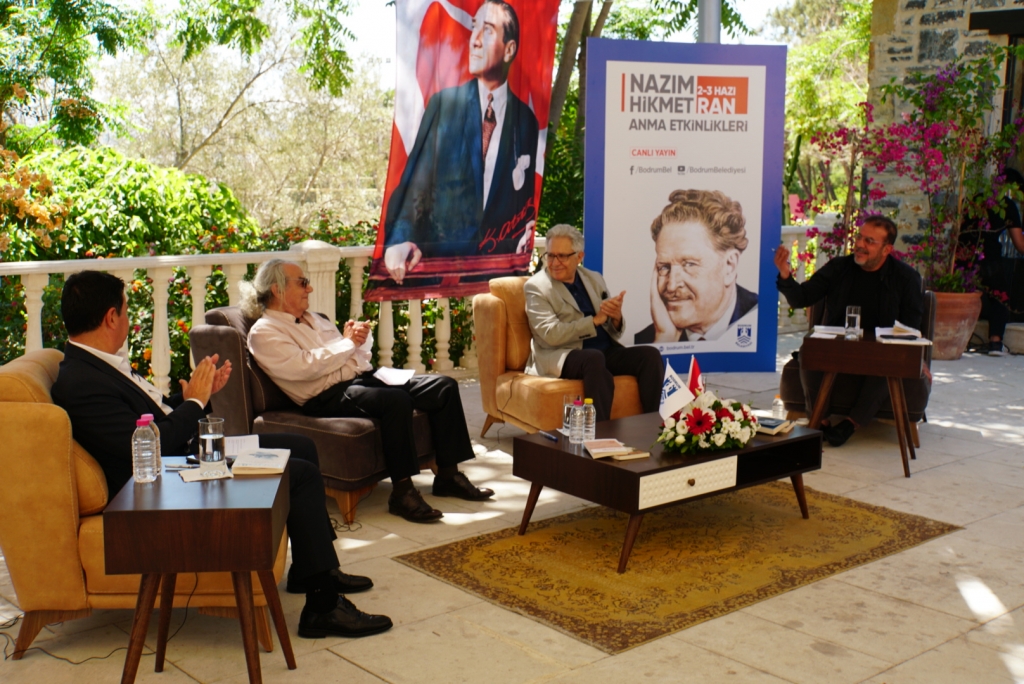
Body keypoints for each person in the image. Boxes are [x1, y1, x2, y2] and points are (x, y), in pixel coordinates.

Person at [50, 271, 392, 640]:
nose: (129, 320)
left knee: (300, 446)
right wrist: (195, 403)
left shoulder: (96, 365)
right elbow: (153, 446)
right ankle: (323, 606)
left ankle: (311, 570)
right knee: (300, 474)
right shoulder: (83, 382)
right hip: (169, 482)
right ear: (110, 317)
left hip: (182, 459)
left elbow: (151, 421)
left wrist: (195, 396)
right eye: (127, 311)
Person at [243, 259, 494, 524]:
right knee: (395, 400)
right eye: (303, 283)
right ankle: (402, 493)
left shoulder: (315, 319)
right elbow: (306, 368)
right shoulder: (265, 332)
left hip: (358, 379)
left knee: (443, 386)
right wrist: (346, 345)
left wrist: (354, 343)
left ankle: (448, 476)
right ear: (278, 289)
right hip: (325, 396)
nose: (310, 288)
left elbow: (354, 360)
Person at [382, 0, 539, 284]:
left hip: (498, 278)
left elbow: (522, 203)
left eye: (487, 30)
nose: (474, 40)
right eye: (474, 27)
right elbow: (415, 187)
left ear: (509, 49)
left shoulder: (526, 121)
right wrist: (400, 240)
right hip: (443, 275)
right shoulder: (444, 106)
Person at [774, 215, 925, 447]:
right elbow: (802, 298)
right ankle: (820, 419)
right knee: (808, 351)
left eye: (869, 241)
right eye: (859, 237)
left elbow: (911, 328)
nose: (860, 244)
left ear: (887, 249)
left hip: (881, 351)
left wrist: (918, 358)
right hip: (839, 346)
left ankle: (852, 423)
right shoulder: (839, 268)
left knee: (893, 363)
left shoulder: (906, 278)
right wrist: (785, 273)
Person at [524, 224, 663, 423]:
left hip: (603, 351)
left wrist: (615, 317)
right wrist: (594, 321)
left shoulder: (594, 278)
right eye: (551, 255)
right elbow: (550, 334)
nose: (554, 263)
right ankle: (599, 432)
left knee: (650, 356)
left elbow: (612, 330)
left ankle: (652, 424)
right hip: (562, 353)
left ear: (579, 257)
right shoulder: (536, 287)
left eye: (562, 256)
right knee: (593, 358)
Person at [635, 189, 758, 344]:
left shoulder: (760, 317)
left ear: (729, 266)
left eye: (689, 264)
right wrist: (664, 340)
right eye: (664, 267)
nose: (671, 286)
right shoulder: (648, 340)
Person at [960, 169, 1024, 356]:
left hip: (964, 255)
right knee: (1000, 298)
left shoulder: (975, 199)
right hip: (989, 257)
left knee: (964, 298)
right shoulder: (1007, 205)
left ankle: (960, 339)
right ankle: (995, 343)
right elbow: (1019, 244)